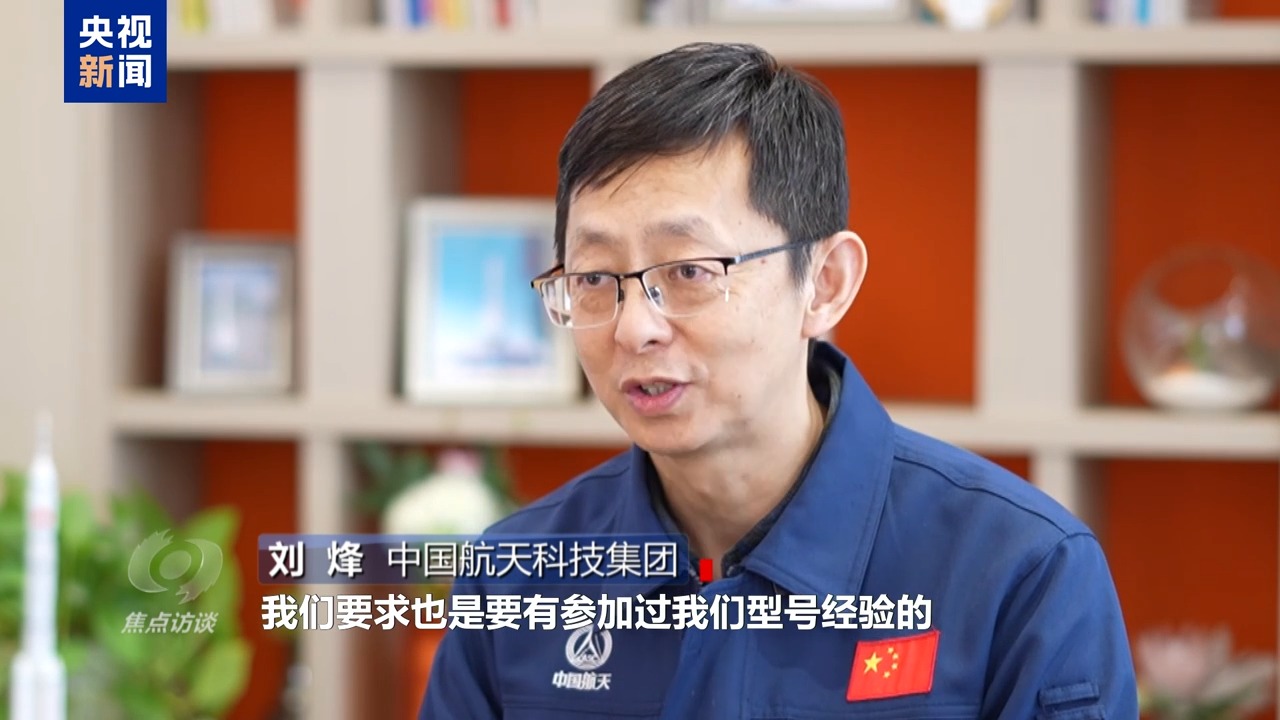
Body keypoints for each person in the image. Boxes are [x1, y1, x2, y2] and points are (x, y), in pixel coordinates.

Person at [420, 42, 1137, 719]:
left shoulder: (1020, 571)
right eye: (594, 278)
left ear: (825, 284)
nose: (634, 328)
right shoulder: (515, 578)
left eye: (689, 270)